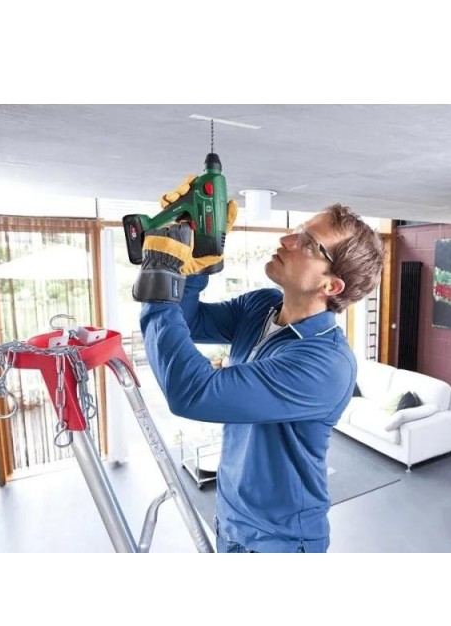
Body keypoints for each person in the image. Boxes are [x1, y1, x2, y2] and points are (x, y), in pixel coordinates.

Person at [134, 176, 384, 552]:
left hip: (279, 542)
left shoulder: (324, 364)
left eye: (308, 243)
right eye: (297, 230)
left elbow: (192, 393)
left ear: (331, 286)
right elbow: (190, 321)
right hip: (231, 519)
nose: (287, 240)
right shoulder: (262, 306)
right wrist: (196, 267)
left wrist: (162, 275)